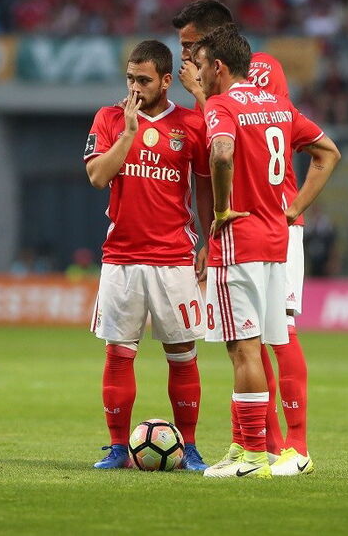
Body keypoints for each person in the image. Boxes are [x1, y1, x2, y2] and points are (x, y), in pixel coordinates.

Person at [173, 0, 327, 475]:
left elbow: (234, 134)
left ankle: (292, 447)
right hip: (255, 223)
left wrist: (200, 95)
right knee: (253, 340)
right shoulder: (228, 78)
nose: (185, 58)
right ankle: (269, 448)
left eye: (189, 46)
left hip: (267, 220)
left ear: (212, 44)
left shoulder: (261, 69)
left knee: (275, 334)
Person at [83, 40, 213, 471]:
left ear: (165, 80)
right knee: (119, 353)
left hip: (173, 257)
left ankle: (189, 447)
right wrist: (128, 132)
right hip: (121, 258)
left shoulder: (191, 125)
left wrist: (209, 243)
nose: (135, 88)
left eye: (143, 80)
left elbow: (206, 189)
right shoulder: (108, 118)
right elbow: (98, 177)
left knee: (182, 353)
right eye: (129, 79)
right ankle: (119, 448)